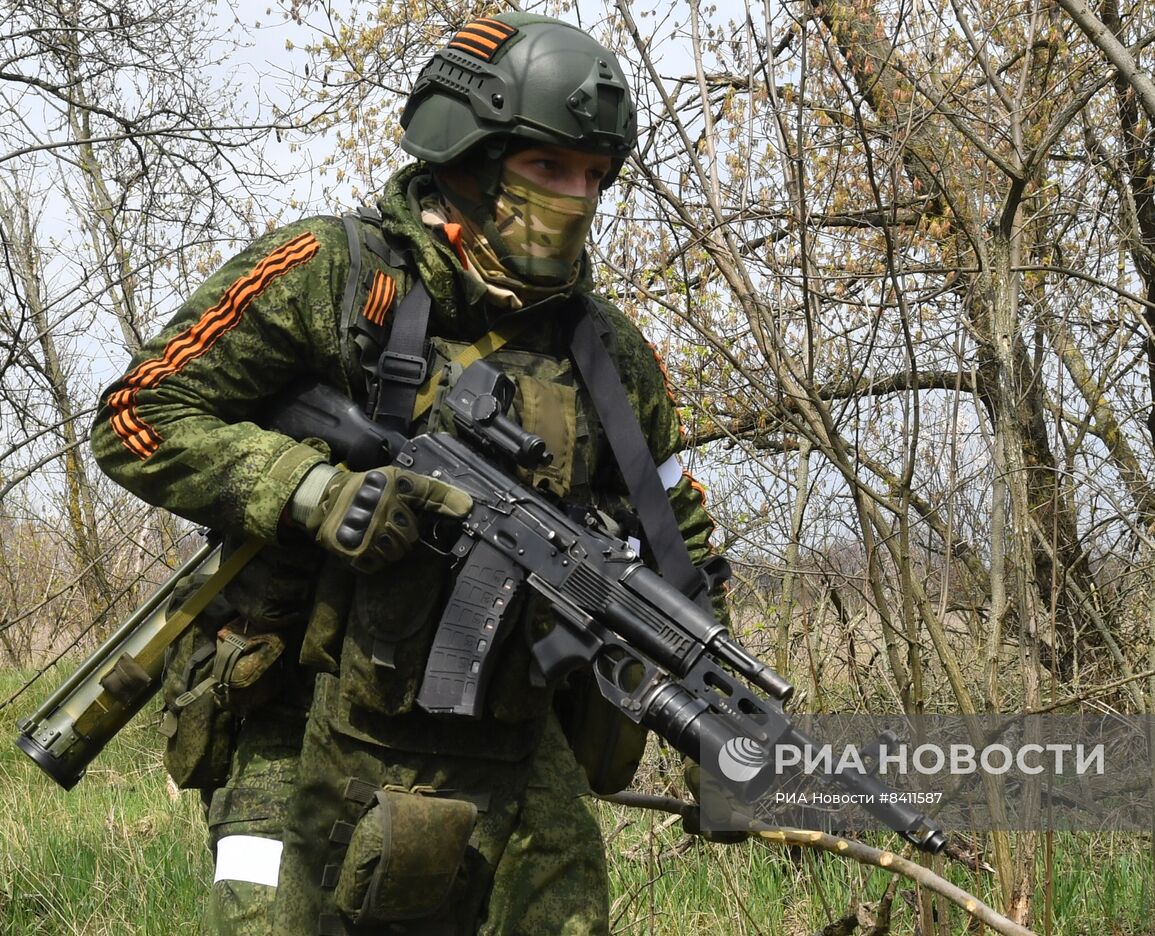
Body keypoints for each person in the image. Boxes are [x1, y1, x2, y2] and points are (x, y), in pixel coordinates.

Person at [91, 13, 724, 935]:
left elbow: (682, 542)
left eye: (595, 175)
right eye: (550, 167)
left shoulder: (610, 356)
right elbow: (137, 414)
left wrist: (718, 721)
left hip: (509, 735)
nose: (578, 197)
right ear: (469, 156)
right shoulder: (335, 276)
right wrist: (308, 491)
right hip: (298, 722)